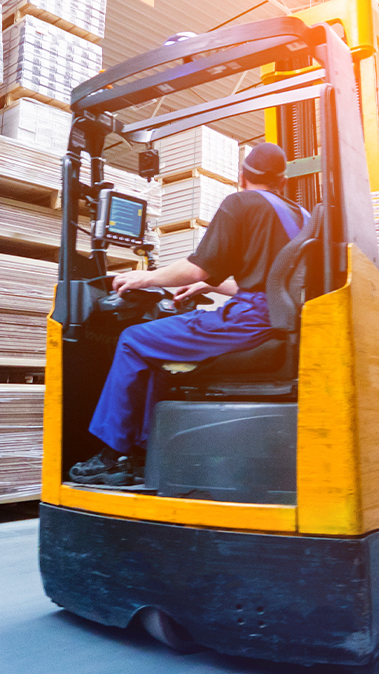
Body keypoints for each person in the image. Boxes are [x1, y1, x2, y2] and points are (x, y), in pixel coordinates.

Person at [69, 142, 305, 487]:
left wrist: (143, 277)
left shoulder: (241, 203)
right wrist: (211, 288)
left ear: (242, 176)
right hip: (270, 320)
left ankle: (108, 454)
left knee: (134, 339)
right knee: (159, 349)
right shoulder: (300, 216)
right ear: (282, 181)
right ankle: (144, 452)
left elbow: (196, 268)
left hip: (249, 321)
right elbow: (274, 286)